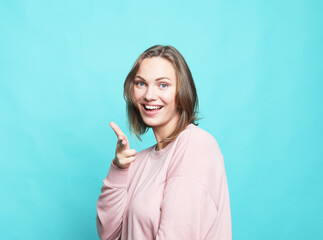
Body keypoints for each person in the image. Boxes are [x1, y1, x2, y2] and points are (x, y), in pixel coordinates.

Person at [96, 45, 232, 240]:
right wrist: (119, 168)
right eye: (141, 83)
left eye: (163, 85)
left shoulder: (195, 145)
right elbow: (109, 235)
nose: (149, 95)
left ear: (182, 92)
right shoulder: (139, 162)